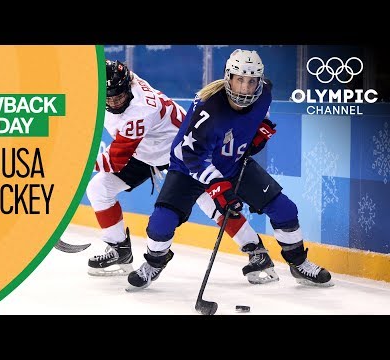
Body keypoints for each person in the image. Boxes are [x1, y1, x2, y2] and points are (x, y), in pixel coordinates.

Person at [126, 49, 334, 291]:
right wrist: (217, 187)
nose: (245, 87)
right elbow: (189, 154)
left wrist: (261, 128)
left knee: (285, 209)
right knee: (161, 223)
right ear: (229, 78)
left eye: (251, 81)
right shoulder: (207, 109)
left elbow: (262, 111)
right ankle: (154, 263)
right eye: (240, 79)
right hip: (188, 169)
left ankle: (299, 263)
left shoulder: (264, 91)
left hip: (232, 164)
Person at [87, 59, 279, 284]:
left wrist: (73, 167)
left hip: (181, 150)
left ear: (128, 87)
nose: (114, 102)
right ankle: (118, 248)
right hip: (146, 148)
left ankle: (257, 251)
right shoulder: (120, 82)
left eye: (118, 96)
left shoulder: (140, 111)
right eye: (108, 97)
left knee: (211, 202)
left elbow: (115, 161)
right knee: (99, 188)